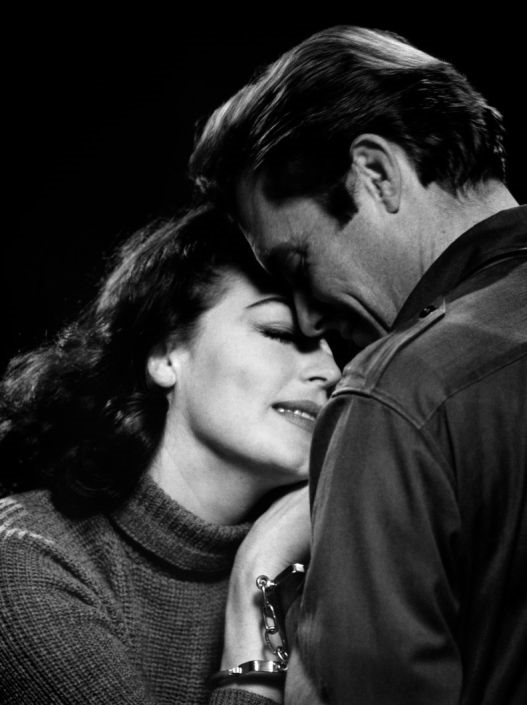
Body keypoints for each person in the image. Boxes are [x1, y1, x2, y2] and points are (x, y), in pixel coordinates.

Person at [189, 26, 527, 705]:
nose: (310, 321)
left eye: (297, 263)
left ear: (375, 172)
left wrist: (258, 587)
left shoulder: (398, 392)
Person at [0, 204, 340, 705]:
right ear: (164, 353)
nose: (330, 372)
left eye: (336, 347)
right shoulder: (26, 560)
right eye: (281, 333)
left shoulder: (329, 561)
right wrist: (259, 584)